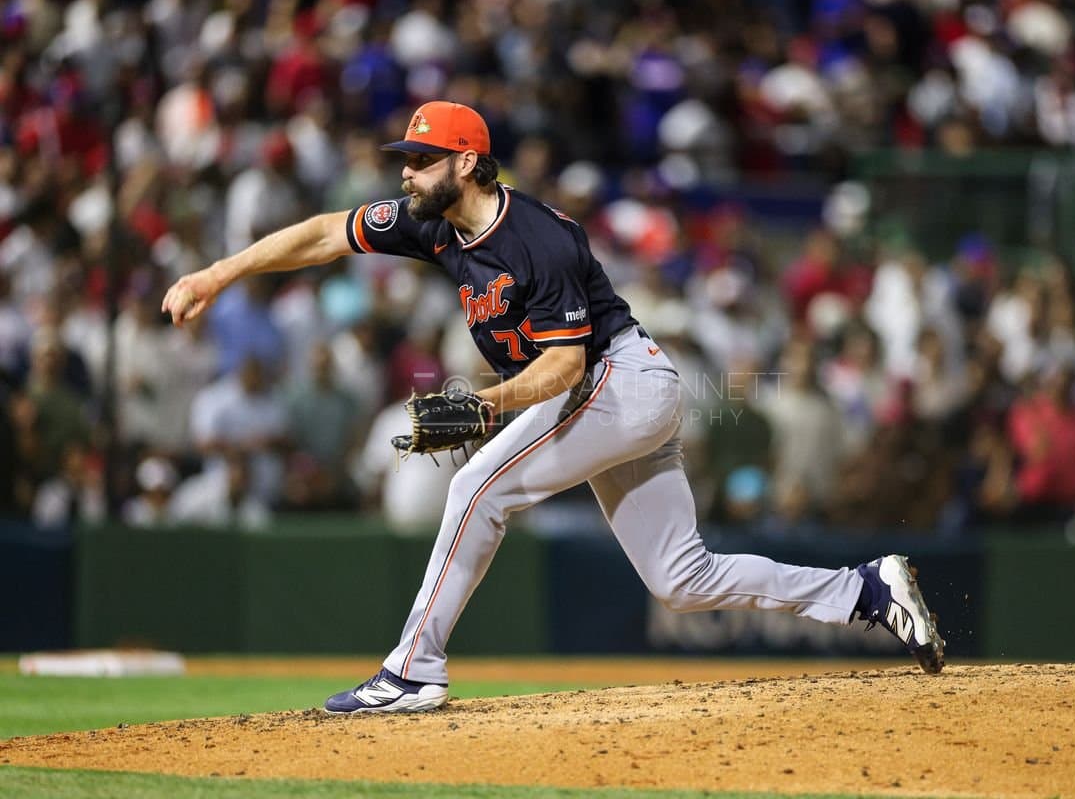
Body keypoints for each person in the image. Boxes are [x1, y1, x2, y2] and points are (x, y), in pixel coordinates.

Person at [162, 101, 945, 714]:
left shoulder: (534, 237)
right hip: (616, 394)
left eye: (422, 159)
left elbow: (565, 364)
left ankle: (411, 671)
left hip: (618, 380)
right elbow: (324, 235)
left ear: (466, 162)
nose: (406, 172)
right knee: (682, 576)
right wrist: (215, 275)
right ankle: (867, 591)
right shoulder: (434, 227)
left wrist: (483, 407)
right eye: (406, 158)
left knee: (478, 488)